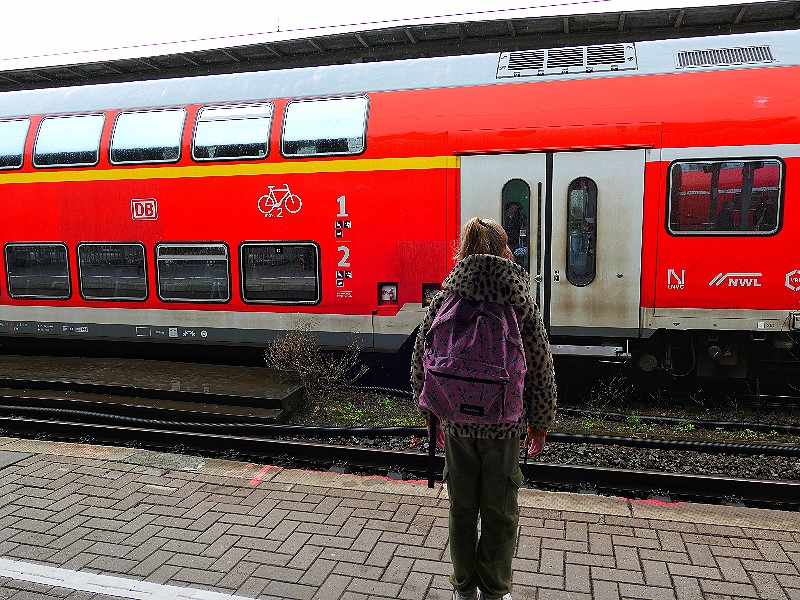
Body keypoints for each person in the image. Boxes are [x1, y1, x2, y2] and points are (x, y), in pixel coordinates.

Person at [411, 217, 557, 600]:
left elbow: (421, 355)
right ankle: (494, 590)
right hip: (504, 425)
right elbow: (540, 363)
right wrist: (540, 421)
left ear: (465, 249)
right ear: (504, 249)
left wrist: (430, 412)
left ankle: (463, 589)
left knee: (461, 510)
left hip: (457, 424)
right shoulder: (518, 300)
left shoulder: (447, 296)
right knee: (500, 511)